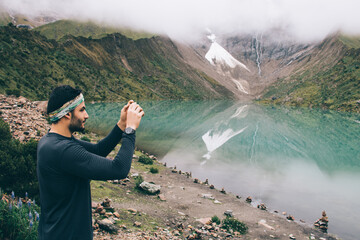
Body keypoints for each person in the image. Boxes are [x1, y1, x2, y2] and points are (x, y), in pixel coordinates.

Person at [37, 85, 144, 240]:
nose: (86, 115)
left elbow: (98, 150)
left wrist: (121, 124)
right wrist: (130, 130)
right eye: (82, 110)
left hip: (54, 232)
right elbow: (119, 169)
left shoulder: (51, 141)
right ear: (67, 114)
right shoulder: (64, 150)